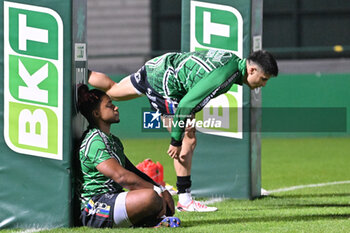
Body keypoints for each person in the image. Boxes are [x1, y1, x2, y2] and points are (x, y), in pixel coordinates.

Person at [88, 49, 279, 212]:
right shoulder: (225, 77)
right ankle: (185, 200)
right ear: (251, 69)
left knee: (113, 90)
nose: (263, 84)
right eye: (263, 79)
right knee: (188, 140)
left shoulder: (231, 58)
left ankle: (80, 72)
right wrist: (176, 140)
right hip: (165, 83)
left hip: (160, 65)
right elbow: (186, 105)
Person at [77, 84, 179, 228]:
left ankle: (149, 223)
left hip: (113, 198)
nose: (115, 108)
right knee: (151, 198)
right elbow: (121, 176)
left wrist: (161, 188)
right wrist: (156, 191)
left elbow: (132, 171)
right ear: (96, 114)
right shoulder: (94, 140)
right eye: (109, 105)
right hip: (94, 207)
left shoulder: (113, 140)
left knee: (159, 199)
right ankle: (148, 222)